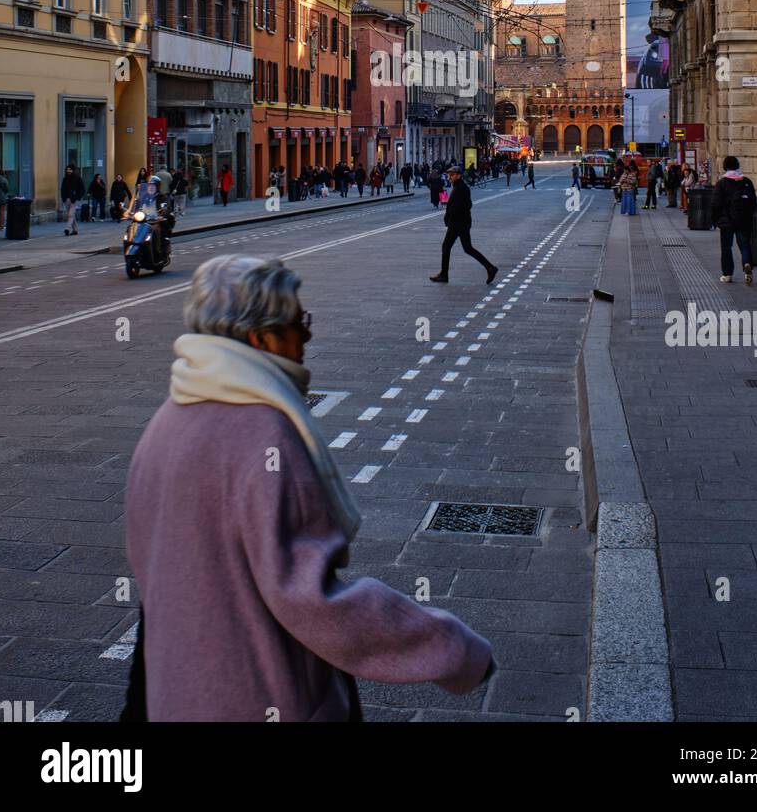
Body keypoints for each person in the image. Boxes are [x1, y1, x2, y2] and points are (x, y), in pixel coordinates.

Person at [122, 256, 493, 722]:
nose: (308, 334)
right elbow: (312, 600)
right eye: (298, 322)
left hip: (178, 692)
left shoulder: (166, 422)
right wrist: (450, 647)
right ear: (261, 338)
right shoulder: (263, 433)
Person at [430, 166, 498, 285]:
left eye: (452, 175)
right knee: (467, 248)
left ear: (459, 175)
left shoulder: (461, 188)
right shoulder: (459, 187)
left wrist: (452, 214)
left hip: (458, 223)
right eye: (449, 175)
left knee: (446, 247)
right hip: (461, 223)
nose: (450, 177)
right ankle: (490, 267)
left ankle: (444, 275)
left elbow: (466, 205)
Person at [710, 156, 756, 285]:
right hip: (743, 220)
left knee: (726, 248)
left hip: (726, 221)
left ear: (725, 167)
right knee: (744, 244)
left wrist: (715, 219)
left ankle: (727, 274)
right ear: (737, 166)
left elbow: (715, 204)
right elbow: (752, 201)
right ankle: (747, 264)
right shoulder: (746, 181)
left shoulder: (722, 183)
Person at [60, 165, 85, 236]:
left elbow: (82, 190)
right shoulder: (65, 179)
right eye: (67, 169)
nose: (68, 171)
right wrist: (63, 198)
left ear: (73, 170)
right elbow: (62, 189)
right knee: (72, 215)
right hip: (66, 200)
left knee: (70, 214)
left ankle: (67, 229)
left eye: (70, 169)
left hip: (74, 200)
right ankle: (75, 230)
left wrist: (77, 197)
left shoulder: (77, 178)